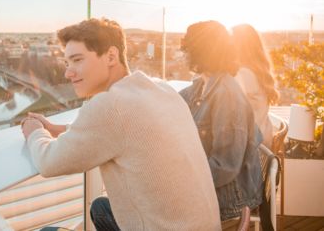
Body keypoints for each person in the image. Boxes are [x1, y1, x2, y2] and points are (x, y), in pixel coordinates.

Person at [21, 18, 221, 231]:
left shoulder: (110, 105)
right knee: (100, 207)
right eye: (67, 63)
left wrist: (35, 132)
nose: (68, 73)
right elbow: (121, 129)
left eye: (77, 60)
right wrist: (60, 129)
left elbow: (49, 162)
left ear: (111, 56)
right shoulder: (160, 89)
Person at [179, 20, 263, 221]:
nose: (183, 53)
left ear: (201, 52)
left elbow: (225, 166)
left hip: (230, 200)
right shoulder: (202, 85)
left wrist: (179, 182)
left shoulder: (227, 96)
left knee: (136, 210)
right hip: (214, 189)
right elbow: (171, 101)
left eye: (187, 48)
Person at [232, 24, 280, 148]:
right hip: (263, 139)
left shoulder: (243, 74)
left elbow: (231, 113)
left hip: (252, 147)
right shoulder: (257, 71)